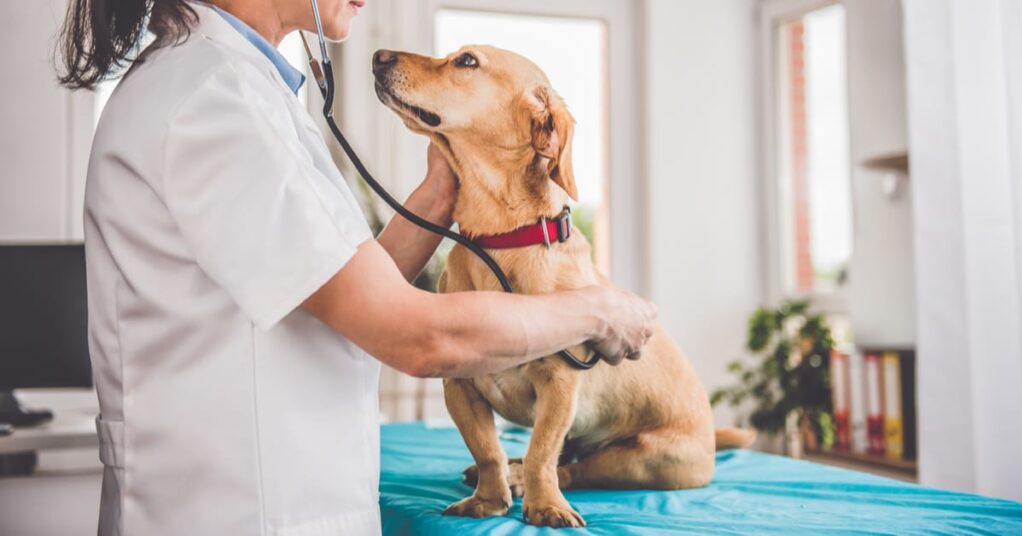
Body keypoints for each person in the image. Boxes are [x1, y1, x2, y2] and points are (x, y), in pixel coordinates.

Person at [57, 0, 656, 534]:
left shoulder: (236, 90)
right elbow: (414, 336)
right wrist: (598, 308)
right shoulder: (216, 103)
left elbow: (343, 292)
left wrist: (440, 196)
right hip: (242, 510)